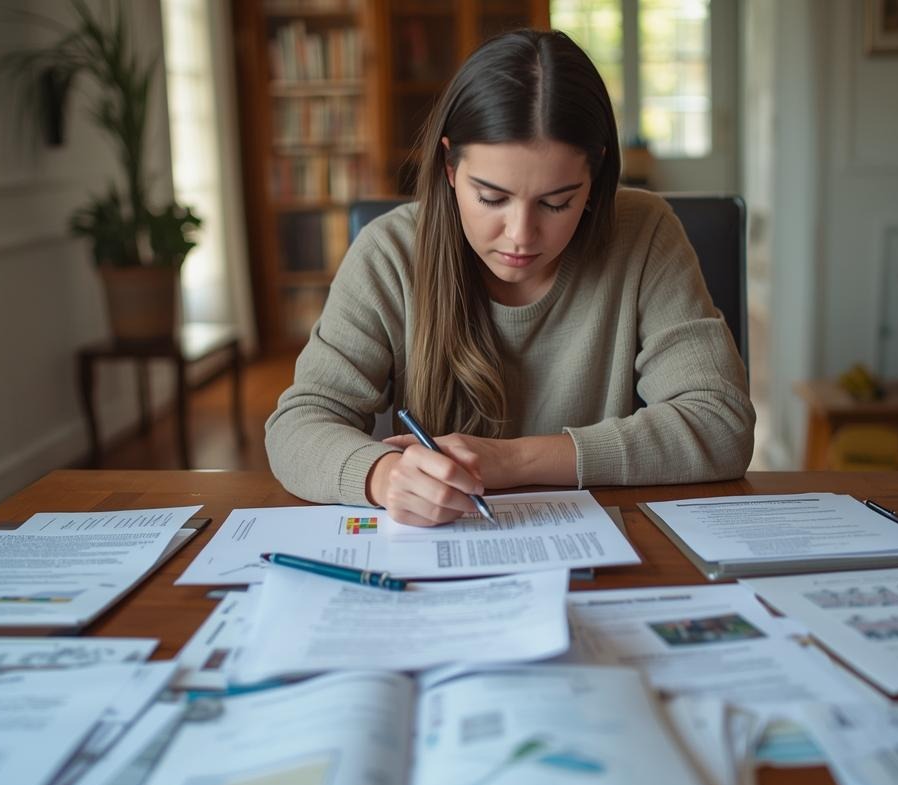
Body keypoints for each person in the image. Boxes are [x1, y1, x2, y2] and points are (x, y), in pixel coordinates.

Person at [265, 29, 753, 526]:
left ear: (595, 176)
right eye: (492, 198)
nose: (520, 235)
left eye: (556, 202)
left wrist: (512, 460)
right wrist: (386, 476)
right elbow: (298, 426)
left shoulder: (645, 233)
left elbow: (721, 424)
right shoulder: (389, 253)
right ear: (450, 166)